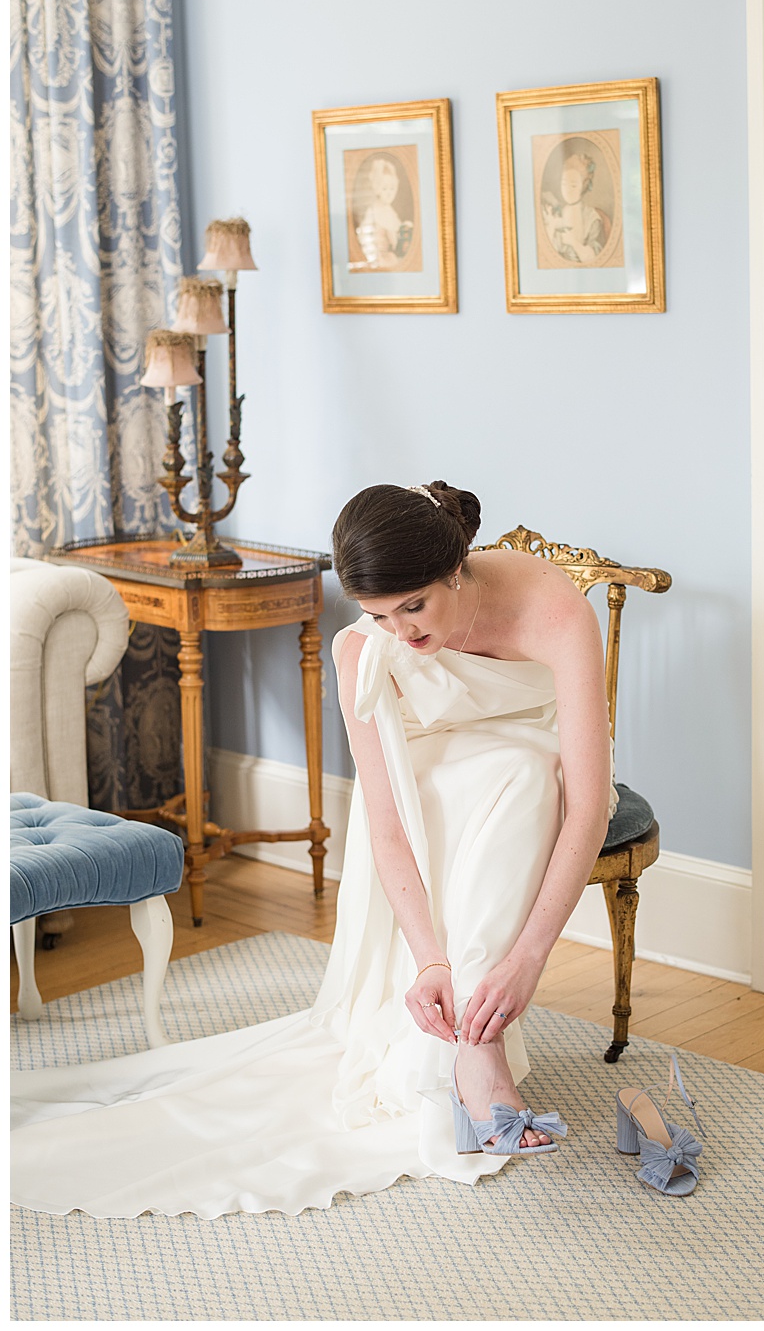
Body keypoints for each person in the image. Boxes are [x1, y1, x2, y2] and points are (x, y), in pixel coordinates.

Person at [11, 482, 617, 1216]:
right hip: (429, 777)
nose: (402, 634)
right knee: (461, 796)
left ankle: (475, 1045)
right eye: (377, 614)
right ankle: (473, 1047)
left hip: (536, 765)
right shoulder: (366, 647)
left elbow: (587, 804)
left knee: (522, 777)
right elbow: (387, 821)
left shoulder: (551, 607)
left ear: (457, 569)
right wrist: (428, 957)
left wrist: (528, 961)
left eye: (415, 606)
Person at [541, 147, 613, 265]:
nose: (567, 190)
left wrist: (573, 242)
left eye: (573, 185)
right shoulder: (556, 214)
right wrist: (551, 227)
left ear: (583, 186)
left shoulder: (592, 217)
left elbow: (595, 259)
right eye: (564, 183)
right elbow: (547, 256)